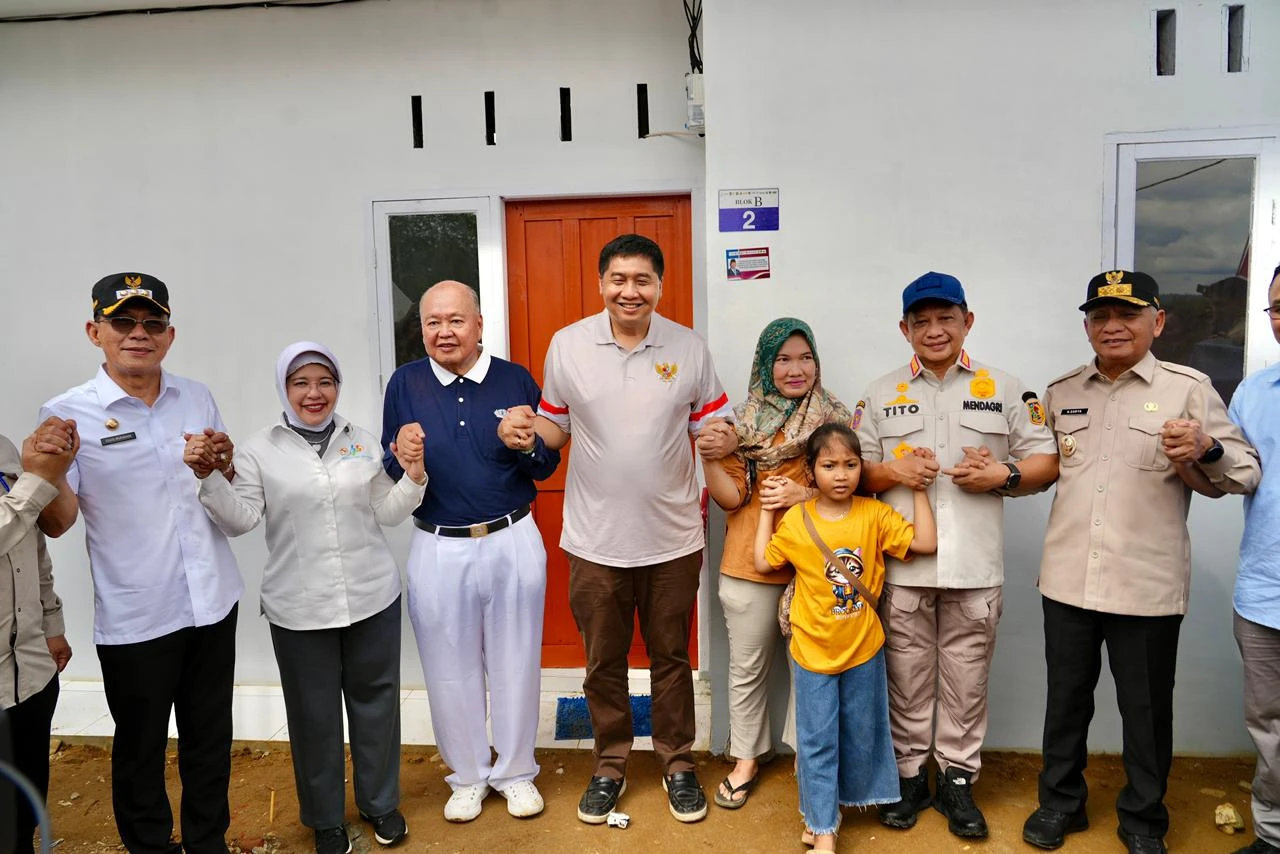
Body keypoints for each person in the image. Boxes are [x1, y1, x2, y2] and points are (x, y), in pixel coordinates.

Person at [1022, 270, 1260, 854]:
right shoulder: (1061, 392)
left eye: (1127, 315)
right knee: (1065, 701)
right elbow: (1041, 467)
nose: (1112, 326)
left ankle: (1144, 818)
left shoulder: (1189, 389)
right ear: (1087, 326)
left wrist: (1206, 447)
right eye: (1100, 316)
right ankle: (1060, 803)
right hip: (1068, 579)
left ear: (1158, 322)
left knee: (1146, 711)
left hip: (1146, 584)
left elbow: (1245, 471)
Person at [502, 233, 734, 824]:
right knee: (602, 661)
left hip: (673, 536)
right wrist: (526, 433)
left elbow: (716, 423)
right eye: (619, 279)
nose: (630, 291)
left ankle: (677, 762)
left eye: (642, 280)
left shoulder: (689, 347)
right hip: (595, 538)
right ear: (601, 283)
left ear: (659, 286)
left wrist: (722, 437)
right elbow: (556, 427)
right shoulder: (568, 345)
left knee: (671, 658)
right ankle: (609, 763)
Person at [187, 342, 425, 854]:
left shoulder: (361, 440)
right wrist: (209, 479)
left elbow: (387, 512)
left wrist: (414, 476)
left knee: (378, 706)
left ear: (337, 386)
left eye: (324, 382)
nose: (314, 393)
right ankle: (325, 818)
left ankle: (380, 803)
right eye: (301, 383)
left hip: (372, 597)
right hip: (299, 607)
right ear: (284, 388)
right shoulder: (259, 450)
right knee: (313, 716)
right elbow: (240, 519)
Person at [39, 272, 243, 854]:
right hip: (138, 613)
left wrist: (223, 462)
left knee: (209, 741)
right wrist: (48, 470)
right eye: (123, 322)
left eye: (152, 324)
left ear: (169, 335)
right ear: (95, 332)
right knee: (140, 748)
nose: (138, 334)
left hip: (211, 600)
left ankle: (208, 843)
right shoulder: (67, 414)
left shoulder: (196, 396)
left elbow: (221, 482)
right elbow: (58, 521)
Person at [853, 271, 1059, 838]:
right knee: (906, 679)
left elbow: (1046, 462)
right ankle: (910, 777)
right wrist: (893, 471)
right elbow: (853, 471)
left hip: (975, 565)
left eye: (946, 318)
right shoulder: (878, 394)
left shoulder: (1007, 389)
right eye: (921, 321)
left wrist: (1001, 474)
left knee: (967, 682)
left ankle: (957, 780)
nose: (934, 330)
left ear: (967, 321)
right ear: (905, 329)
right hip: (905, 566)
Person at [383, 281, 560, 824]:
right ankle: (466, 776)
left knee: (516, 660)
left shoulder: (514, 378)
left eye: (455, 320)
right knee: (447, 666)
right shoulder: (405, 383)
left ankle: (516, 772)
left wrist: (525, 444)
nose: (444, 332)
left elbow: (546, 464)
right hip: (438, 544)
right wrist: (404, 458)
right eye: (433, 322)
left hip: (511, 538)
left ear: (479, 325)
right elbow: (391, 466)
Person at [753, 423, 937, 853]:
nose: (841, 475)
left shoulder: (873, 514)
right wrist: (766, 511)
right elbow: (763, 562)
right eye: (829, 465)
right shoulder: (797, 520)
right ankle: (824, 830)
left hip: (863, 649)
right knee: (817, 741)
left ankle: (825, 812)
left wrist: (918, 489)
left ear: (860, 468)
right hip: (812, 650)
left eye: (851, 465)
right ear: (811, 471)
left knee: (858, 734)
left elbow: (925, 542)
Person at [698, 317, 852, 809]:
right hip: (750, 564)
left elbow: (855, 487)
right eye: (782, 359)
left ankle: (811, 756)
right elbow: (730, 498)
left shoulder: (836, 420)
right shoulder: (740, 425)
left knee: (814, 671)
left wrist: (803, 494)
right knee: (747, 668)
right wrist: (707, 458)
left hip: (816, 566)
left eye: (805, 357)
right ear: (766, 365)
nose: (795, 368)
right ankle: (747, 757)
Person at [1, 418, 77, 854]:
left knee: (23, 811)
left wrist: (51, 624)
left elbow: (31, 542)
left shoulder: (4, 448)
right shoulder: (26, 469)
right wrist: (38, 479)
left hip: (30, 670)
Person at [1225, 264, 1280, 854]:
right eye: (1279, 308)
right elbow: (1232, 476)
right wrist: (1201, 452)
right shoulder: (1253, 393)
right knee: (1270, 727)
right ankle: (1273, 835)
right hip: (1266, 594)